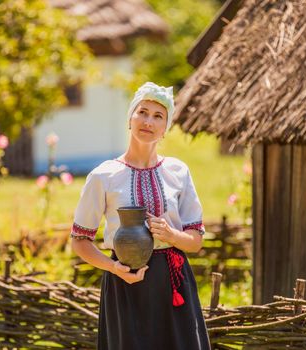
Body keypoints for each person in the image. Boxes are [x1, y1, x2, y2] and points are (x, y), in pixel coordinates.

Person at [70, 82, 211, 350]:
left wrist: (171, 235)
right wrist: (113, 268)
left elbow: (195, 241)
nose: (148, 121)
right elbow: (80, 241)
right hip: (125, 281)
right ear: (130, 119)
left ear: (166, 127)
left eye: (158, 116)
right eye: (142, 112)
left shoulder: (178, 172)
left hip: (173, 282)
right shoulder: (104, 175)